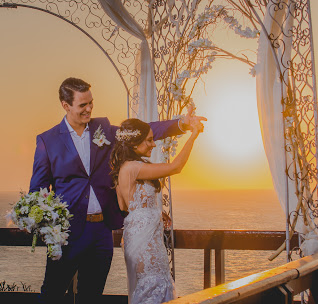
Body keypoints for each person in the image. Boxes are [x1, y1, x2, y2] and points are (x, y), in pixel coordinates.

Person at [29, 77, 197, 303]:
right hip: (66, 236)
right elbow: (38, 192)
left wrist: (181, 124)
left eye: (91, 103)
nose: (89, 109)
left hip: (101, 233)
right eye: (82, 105)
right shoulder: (47, 141)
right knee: (52, 295)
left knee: (91, 296)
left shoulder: (103, 130)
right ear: (65, 105)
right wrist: (48, 229)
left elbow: (142, 132)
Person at [110, 117, 204, 303]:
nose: (153, 144)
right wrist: (193, 135)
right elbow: (175, 167)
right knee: (154, 284)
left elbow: (124, 206)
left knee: (148, 285)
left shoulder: (122, 168)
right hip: (145, 241)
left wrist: (151, 210)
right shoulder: (133, 167)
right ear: (134, 144)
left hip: (138, 236)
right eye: (149, 140)